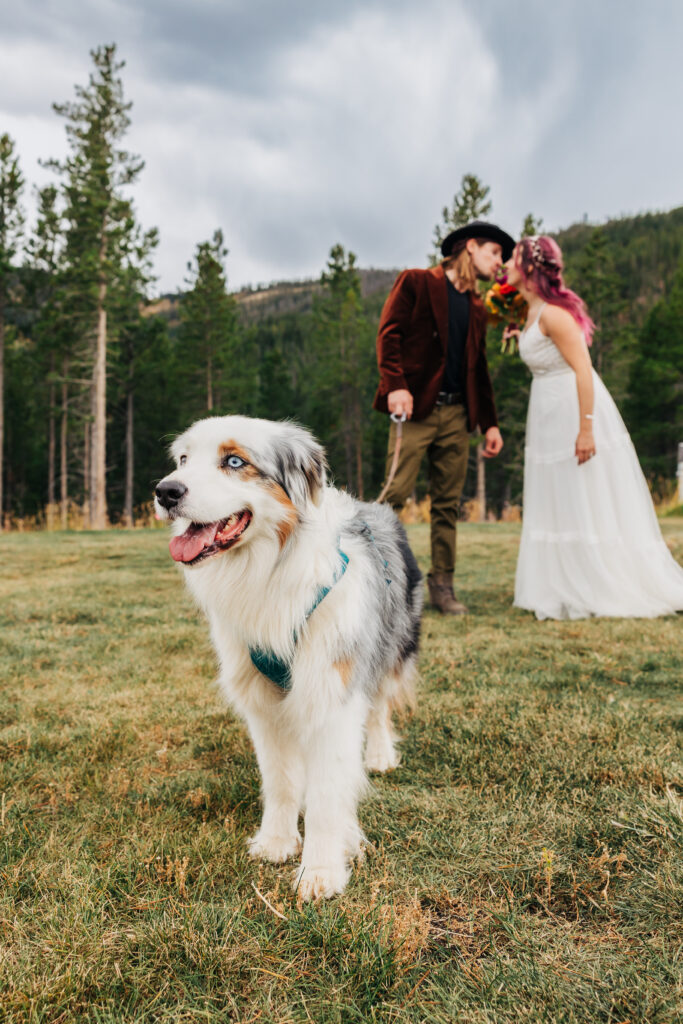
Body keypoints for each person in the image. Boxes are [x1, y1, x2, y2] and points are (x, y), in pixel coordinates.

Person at [504, 234, 683, 619]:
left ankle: (594, 583)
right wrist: (520, 337)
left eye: (512, 258)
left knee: (579, 493)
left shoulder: (554, 313)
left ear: (530, 267)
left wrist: (586, 429)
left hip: (571, 407)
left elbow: (583, 369)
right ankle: (559, 584)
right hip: (546, 411)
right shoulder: (532, 312)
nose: (505, 265)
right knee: (557, 496)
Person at [373, 220, 515, 615]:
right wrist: (396, 385)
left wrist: (490, 423)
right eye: (494, 252)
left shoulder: (476, 307)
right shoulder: (417, 282)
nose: (498, 262)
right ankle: (372, 579)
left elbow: (479, 367)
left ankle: (442, 586)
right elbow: (389, 334)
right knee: (394, 494)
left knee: (447, 505)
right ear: (471, 247)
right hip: (415, 409)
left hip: (457, 416)